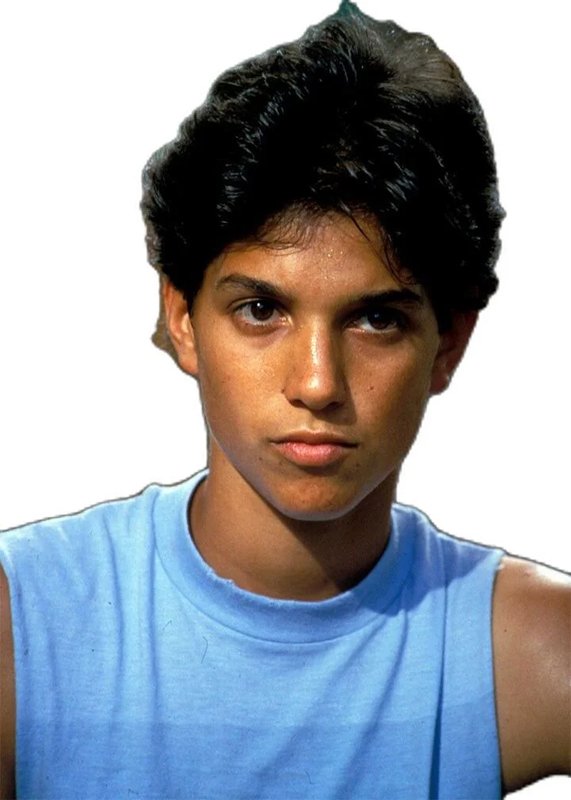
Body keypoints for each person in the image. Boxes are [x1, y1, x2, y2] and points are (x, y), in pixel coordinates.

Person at [0, 1, 569, 797]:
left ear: (448, 343)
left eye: (375, 319)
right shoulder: (22, 627)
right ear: (181, 320)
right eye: (261, 309)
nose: (316, 383)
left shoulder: (536, 652)